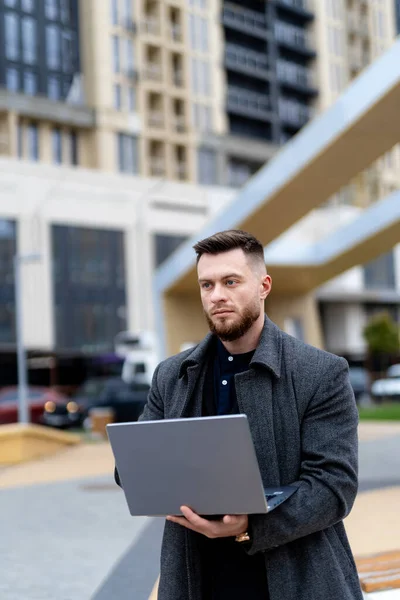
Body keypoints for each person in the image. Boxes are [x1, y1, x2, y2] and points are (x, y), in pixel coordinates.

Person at [116, 229, 363, 600]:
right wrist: (139, 475)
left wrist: (250, 526)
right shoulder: (171, 374)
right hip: (196, 578)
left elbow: (334, 486)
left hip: (296, 578)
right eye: (207, 285)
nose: (217, 296)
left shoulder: (321, 372)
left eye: (231, 281)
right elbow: (133, 469)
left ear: (264, 286)